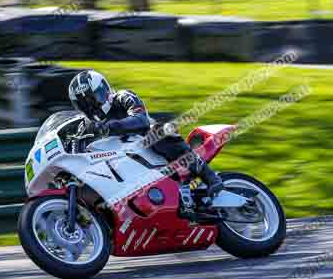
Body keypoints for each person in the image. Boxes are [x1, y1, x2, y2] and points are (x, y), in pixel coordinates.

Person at [67, 70, 224, 205]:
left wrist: (111, 127)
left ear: (104, 89)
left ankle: (210, 177)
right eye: (85, 104)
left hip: (147, 147)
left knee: (157, 132)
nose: (91, 106)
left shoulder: (123, 97)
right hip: (119, 162)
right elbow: (78, 147)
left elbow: (141, 119)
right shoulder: (85, 125)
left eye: (93, 99)